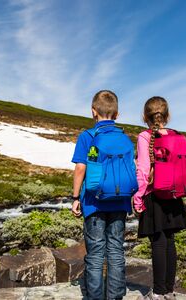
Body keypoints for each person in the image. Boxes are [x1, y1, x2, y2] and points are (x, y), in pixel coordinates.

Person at [71, 90, 134, 300]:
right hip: (120, 202)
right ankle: (115, 296)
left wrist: (74, 198)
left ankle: (95, 297)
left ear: (93, 112)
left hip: (94, 202)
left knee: (96, 253)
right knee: (116, 250)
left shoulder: (88, 137)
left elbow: (81, 168)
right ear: (116, 114)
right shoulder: (125, 139)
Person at [133, 96, 186, 300]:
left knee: (157, 242)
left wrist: (138, 198)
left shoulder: (145, 136)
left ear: (144, 116)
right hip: (174, 195)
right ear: (167, 115)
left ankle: (157, 292)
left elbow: (142, 171)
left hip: (154, 194)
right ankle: (169, 290)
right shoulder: (178, 136)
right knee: (170, 241)